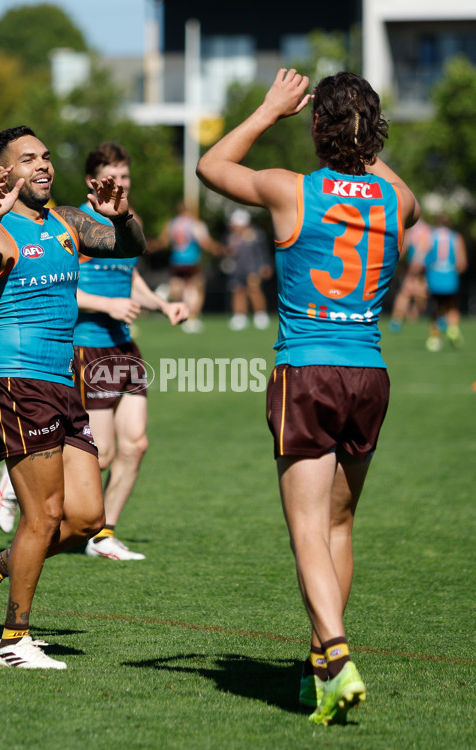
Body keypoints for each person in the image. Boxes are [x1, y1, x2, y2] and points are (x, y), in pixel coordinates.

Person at [197, 69, 419, 725]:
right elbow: (399, 189)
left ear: (316, 128)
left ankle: (338, 654)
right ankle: (318, 668)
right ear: (373, 131)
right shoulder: (392, 202)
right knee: (340, 526)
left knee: (306, 533)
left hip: (308, 372)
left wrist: (271, 109)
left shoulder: (290, 190)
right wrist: (357, 131)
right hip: (369, 374)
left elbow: (213, 166)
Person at [0, 125, 146, 669]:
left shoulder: (68, 222)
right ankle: (14, 643)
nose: (43, 166)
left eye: (46, 156)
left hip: (63, 385)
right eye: (28, 158)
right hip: (17, 384)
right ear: (1, 173)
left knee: (84, 519)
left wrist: (122, 212)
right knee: (43, 515)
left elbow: (133, 248)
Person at [0, 142, 189, 559]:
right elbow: (60, 284)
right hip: (87, 346)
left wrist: (161, 303)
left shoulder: (123, 221)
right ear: (92, 181)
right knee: (98, 455)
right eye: (114, 178)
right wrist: (106, 305)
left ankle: (103, 535)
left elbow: (129, 277)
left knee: (135, 445)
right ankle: (15, 480)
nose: (122, 186)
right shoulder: (71, 223)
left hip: (124, 344)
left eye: (127, 178)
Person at [152, 201, 221, 333]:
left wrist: (153, 246)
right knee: (198, 287)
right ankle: (192, 318)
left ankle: (164, 291)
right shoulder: (195, 224)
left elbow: (163, 241)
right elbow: (205, 242)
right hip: (192, 261)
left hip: (176, 261)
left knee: (177, 289)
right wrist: (218, 249)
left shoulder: (171, 224)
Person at [418, 215, 468, 351]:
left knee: (435, 307)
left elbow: (420, 258)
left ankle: (434, 338)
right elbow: (462, 263)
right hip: (450, 276)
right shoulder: (456, 237)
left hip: (434, 276)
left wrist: (420, 275)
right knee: (451, 304)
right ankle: (453, 329)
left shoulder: (430, 236)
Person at [223, 208, 273, 331]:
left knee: (254, 291)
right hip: (237, 270)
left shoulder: (256, 235)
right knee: (238, 291)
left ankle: (260, 315)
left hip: (252, 269)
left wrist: (265, 265)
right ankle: (240, 316)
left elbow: (262, 252)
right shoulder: (231, 237)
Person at [387, 217, 431, 332]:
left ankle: (399, 319)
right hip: (426, 267)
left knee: (409, 292)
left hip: (416, 265)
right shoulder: (427, 228)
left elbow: (404, 247)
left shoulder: (411, 229)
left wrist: (393, 260)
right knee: (409, 291)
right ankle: (402, 318)